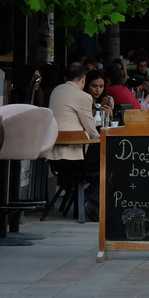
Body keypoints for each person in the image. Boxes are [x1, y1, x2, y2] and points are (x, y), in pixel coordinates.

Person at [47, 62, 101, 217]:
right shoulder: (83, 96)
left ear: (66, 77)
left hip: (55, 158)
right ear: (84, 79)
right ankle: (92, 201)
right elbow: (92, 132)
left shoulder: (56, 91)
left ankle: (87, 199)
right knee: (112, 157)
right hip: (75, 158)